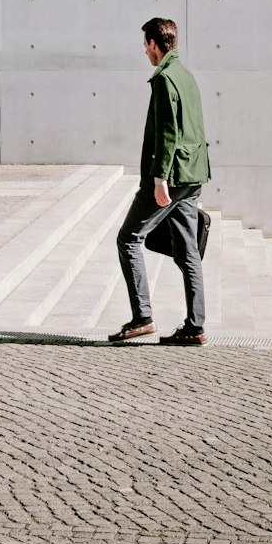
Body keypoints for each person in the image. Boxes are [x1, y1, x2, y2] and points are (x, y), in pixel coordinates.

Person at [109, 18, 211, 346]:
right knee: (189, 252)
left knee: (128, 238)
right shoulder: (187, 76)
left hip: (172, 174)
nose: (144, 51)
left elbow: (169, 133)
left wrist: (159, 179)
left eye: (145, 45)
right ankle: (195, 327)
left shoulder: (166, 78)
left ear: (154, 43)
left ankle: (142, 317)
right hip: (193, 173)